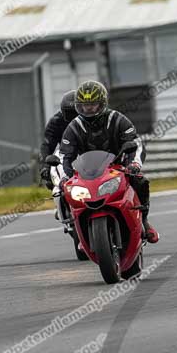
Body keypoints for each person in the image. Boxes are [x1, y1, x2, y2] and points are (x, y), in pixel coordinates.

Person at [60, 80, 159, 244]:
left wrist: (133, 164)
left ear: (102, 103)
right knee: (65, 191)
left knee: (140, 181)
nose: (89, 108)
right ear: (78, 106)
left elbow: (136, 143)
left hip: (118, 168)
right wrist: (66, 177)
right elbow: (65, 156)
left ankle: (144, 222)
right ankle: (78, 233)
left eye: (93, 104)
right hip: (87, 173)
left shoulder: (118, 119)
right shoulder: (73, 127)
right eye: (84, 105)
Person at [39, 90, 77, 190]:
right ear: (62, 111)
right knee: (55, 186)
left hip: (90, 156)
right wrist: (45, 166)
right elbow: (47, 145)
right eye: (69, 113)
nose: (73, 118)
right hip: (68, 156)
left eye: (76, 113)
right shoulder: (56, 122)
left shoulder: (92, 119)